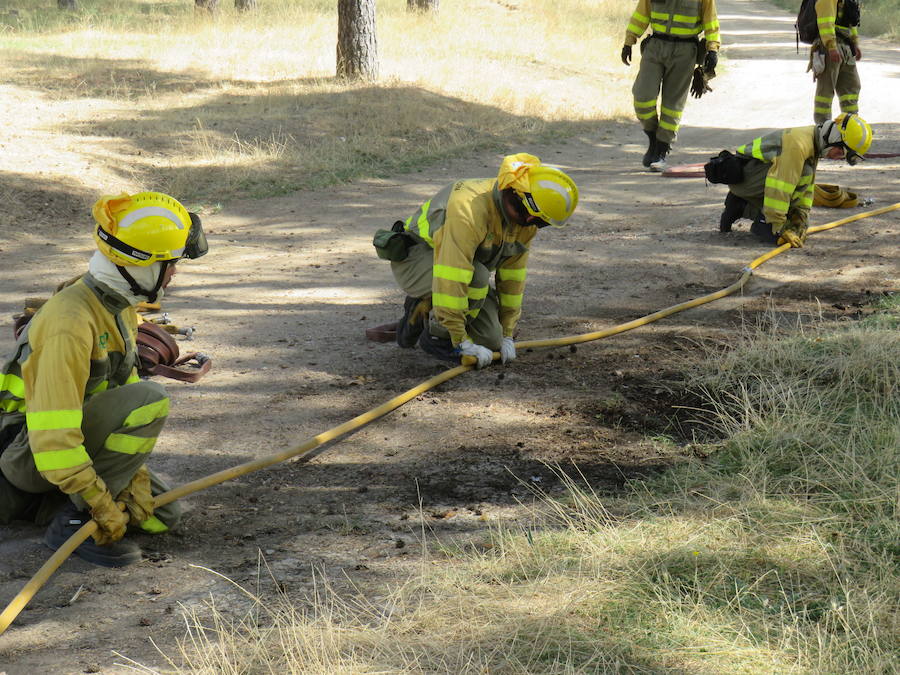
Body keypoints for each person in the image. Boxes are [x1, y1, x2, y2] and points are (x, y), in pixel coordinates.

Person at [0, 191, 208, 567]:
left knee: (161, 518)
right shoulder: (71, 322)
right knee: (150, 398)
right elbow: (53, 437)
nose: (175, 273)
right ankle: (71, 523)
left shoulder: (116, 306)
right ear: (140, 265)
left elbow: (117, 398)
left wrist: (134, 477)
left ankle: (54, 502)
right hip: (25, 455)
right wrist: (96, 501)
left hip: (58, 450)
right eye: (171, 263)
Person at [387, 153, 578, 369]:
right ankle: (437, 335)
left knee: (490, 341)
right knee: (476, 276)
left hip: (464, 270)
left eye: (541, 223)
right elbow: (453, 274)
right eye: (527, 213)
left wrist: (507, 333)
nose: (530, 223)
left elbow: (513, 279)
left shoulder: (526, 223)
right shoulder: (468, 209)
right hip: (417, 258)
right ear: (512, 193)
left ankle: (426, 309)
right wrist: (459, 340)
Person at [718, 113, 872, 247]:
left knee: (804, 174)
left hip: (750, 178)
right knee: (796, 178)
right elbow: (779, 186)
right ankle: (760, 219)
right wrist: (778, 227)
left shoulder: (813, 142)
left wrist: (801, 217)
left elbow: (806, 186)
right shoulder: (798, 145)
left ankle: (742, 206)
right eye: (840, 151)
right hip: (744, 180)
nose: (839, 157)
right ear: (834, 138)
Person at [621, 0, 721, 171]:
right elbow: (641, 14)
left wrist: (712, 50)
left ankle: (661, 150)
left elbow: (711, 22)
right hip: (655, 46)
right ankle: (653, 137)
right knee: (642, 96)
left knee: (672, 105)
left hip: (685, 50)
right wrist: (629, 41)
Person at [811, 0, 861, 124]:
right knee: (826, 91)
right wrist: (831, 47)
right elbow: (825, 22)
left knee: (851, 89)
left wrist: (855, 43)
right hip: (829, 47)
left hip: (846, 46)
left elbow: (851, 21)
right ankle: (822, 128)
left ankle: (851, 125)